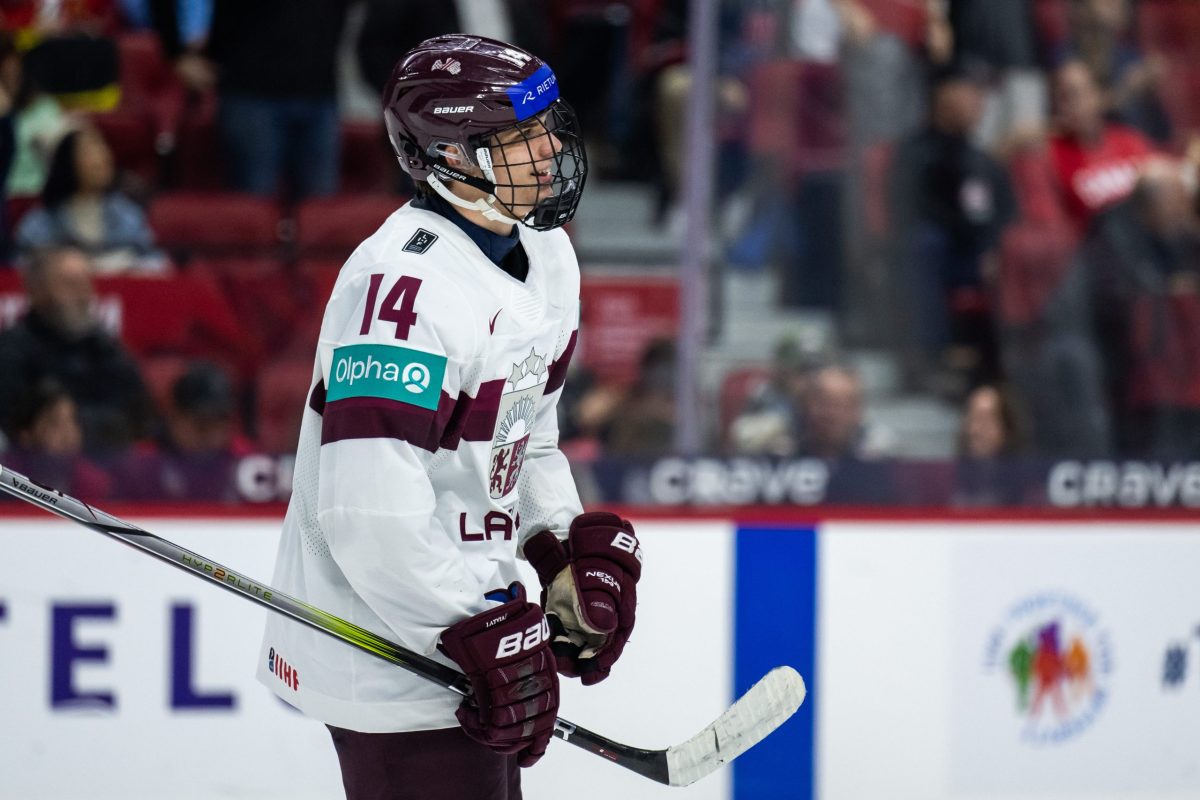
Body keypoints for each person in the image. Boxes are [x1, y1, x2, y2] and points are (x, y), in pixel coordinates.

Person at [257, 35, 643, 800]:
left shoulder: (548, 255)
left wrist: (557, 550)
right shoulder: (402, 286)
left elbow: (525, 441)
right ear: (449, 158)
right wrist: (472, 629)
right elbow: (368, 513)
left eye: (547, 127)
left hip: (469, 625)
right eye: (519, 138)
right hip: (387, 646)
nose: (549, 151)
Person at [0, 246, 152, 451]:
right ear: (37, 291)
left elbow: (139, 416)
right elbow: (11, 422)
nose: (83, 294)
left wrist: (81, 428)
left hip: (106, 462)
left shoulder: (106, 347)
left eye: (86, 283)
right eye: (70, 284)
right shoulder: (12, 350)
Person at [14, 126, 166, 272]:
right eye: (88, 152)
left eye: (103, 149)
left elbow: (155, 262)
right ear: (67, 161)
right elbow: (23, 265)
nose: (102, 159)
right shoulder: (42, 221)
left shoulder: (127, 214)